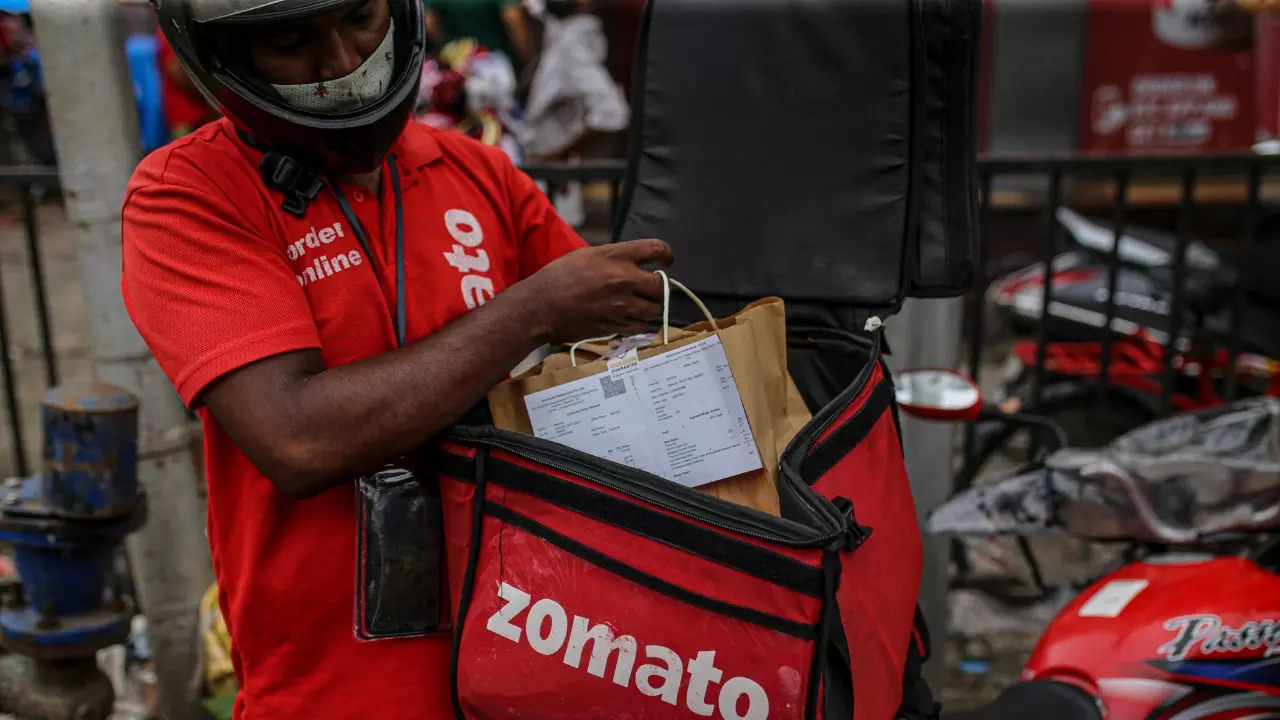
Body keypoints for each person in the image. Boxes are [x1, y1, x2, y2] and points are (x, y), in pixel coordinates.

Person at [121, 1, 672, 717]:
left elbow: (618, 344)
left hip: (543, 656)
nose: (343, 63)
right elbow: (296, 436)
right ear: (223, 52)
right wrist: (531, 311)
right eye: (290, 41)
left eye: (361, 17)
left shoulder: (477, 171)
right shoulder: (187, 194)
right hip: (333, 691)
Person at [423, 0, 533, 75]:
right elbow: (513, 19)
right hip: (498, 69)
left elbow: (429, 22)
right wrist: (528, 61)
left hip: (455, 68)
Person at [154, 26, 219, 138]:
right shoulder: (173, 29)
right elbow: (175, 69)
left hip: (192, 113)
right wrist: (206, 93)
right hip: (187, 114)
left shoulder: (171, 28)